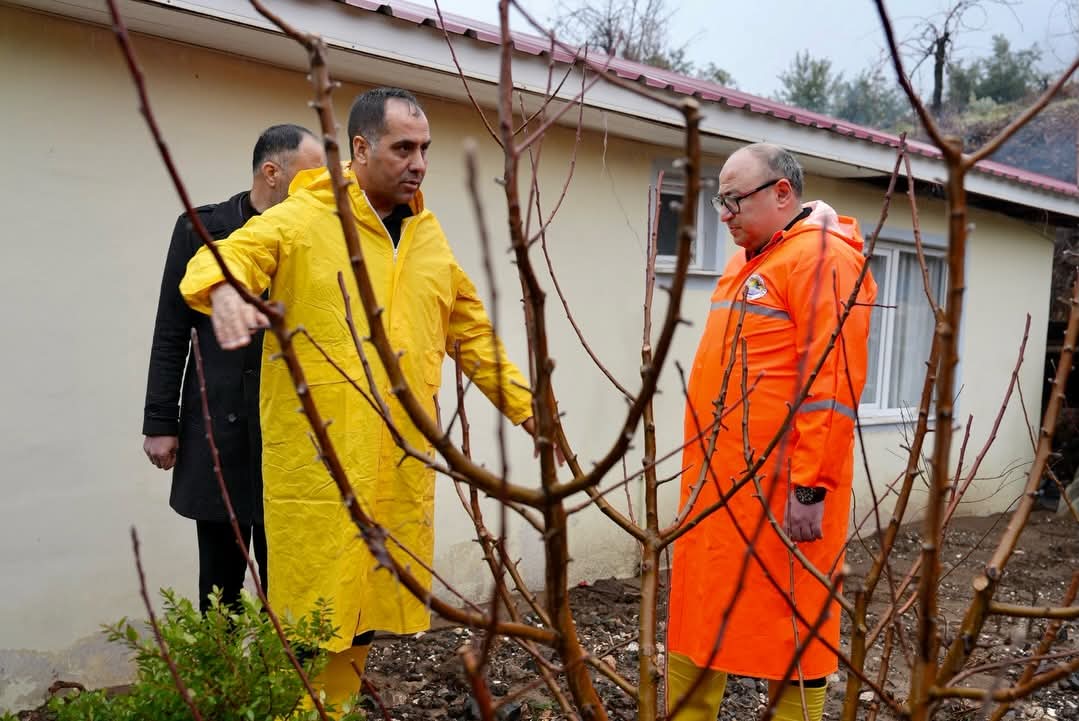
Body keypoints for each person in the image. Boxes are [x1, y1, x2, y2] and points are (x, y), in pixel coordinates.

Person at [179, 87, 537, 710]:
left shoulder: (428, 240)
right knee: (312, 620)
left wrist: (533, 413)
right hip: (320, 470)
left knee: (365, 610)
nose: (418, 162)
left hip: (395, 469)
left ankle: (334, 710)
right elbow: (222, 258)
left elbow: (472, 333)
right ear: (361, 149)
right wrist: (227, 290)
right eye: (403, 148)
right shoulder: (301, 220)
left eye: (425, 148)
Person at [666, 144, 877, 721]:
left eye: (735, 200)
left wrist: (810, 489)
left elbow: (831, 386)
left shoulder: (823, 259)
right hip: (719, 488)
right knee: (701, 615)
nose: (724, 213)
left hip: (782, 494)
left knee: (796, 623)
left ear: (783, 192)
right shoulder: (746, 262)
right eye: (719, 201)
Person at [142, 124, 325, 613]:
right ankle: (226, 687)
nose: (321, 188)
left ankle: (287, 686)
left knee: (288, 585)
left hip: (288, 436)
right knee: (219, 588)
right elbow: (171, 331)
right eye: (311, 175)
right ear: (272, 172)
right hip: (217, 428)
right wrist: (160, 422)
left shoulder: (316, 238)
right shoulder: (200, 229)